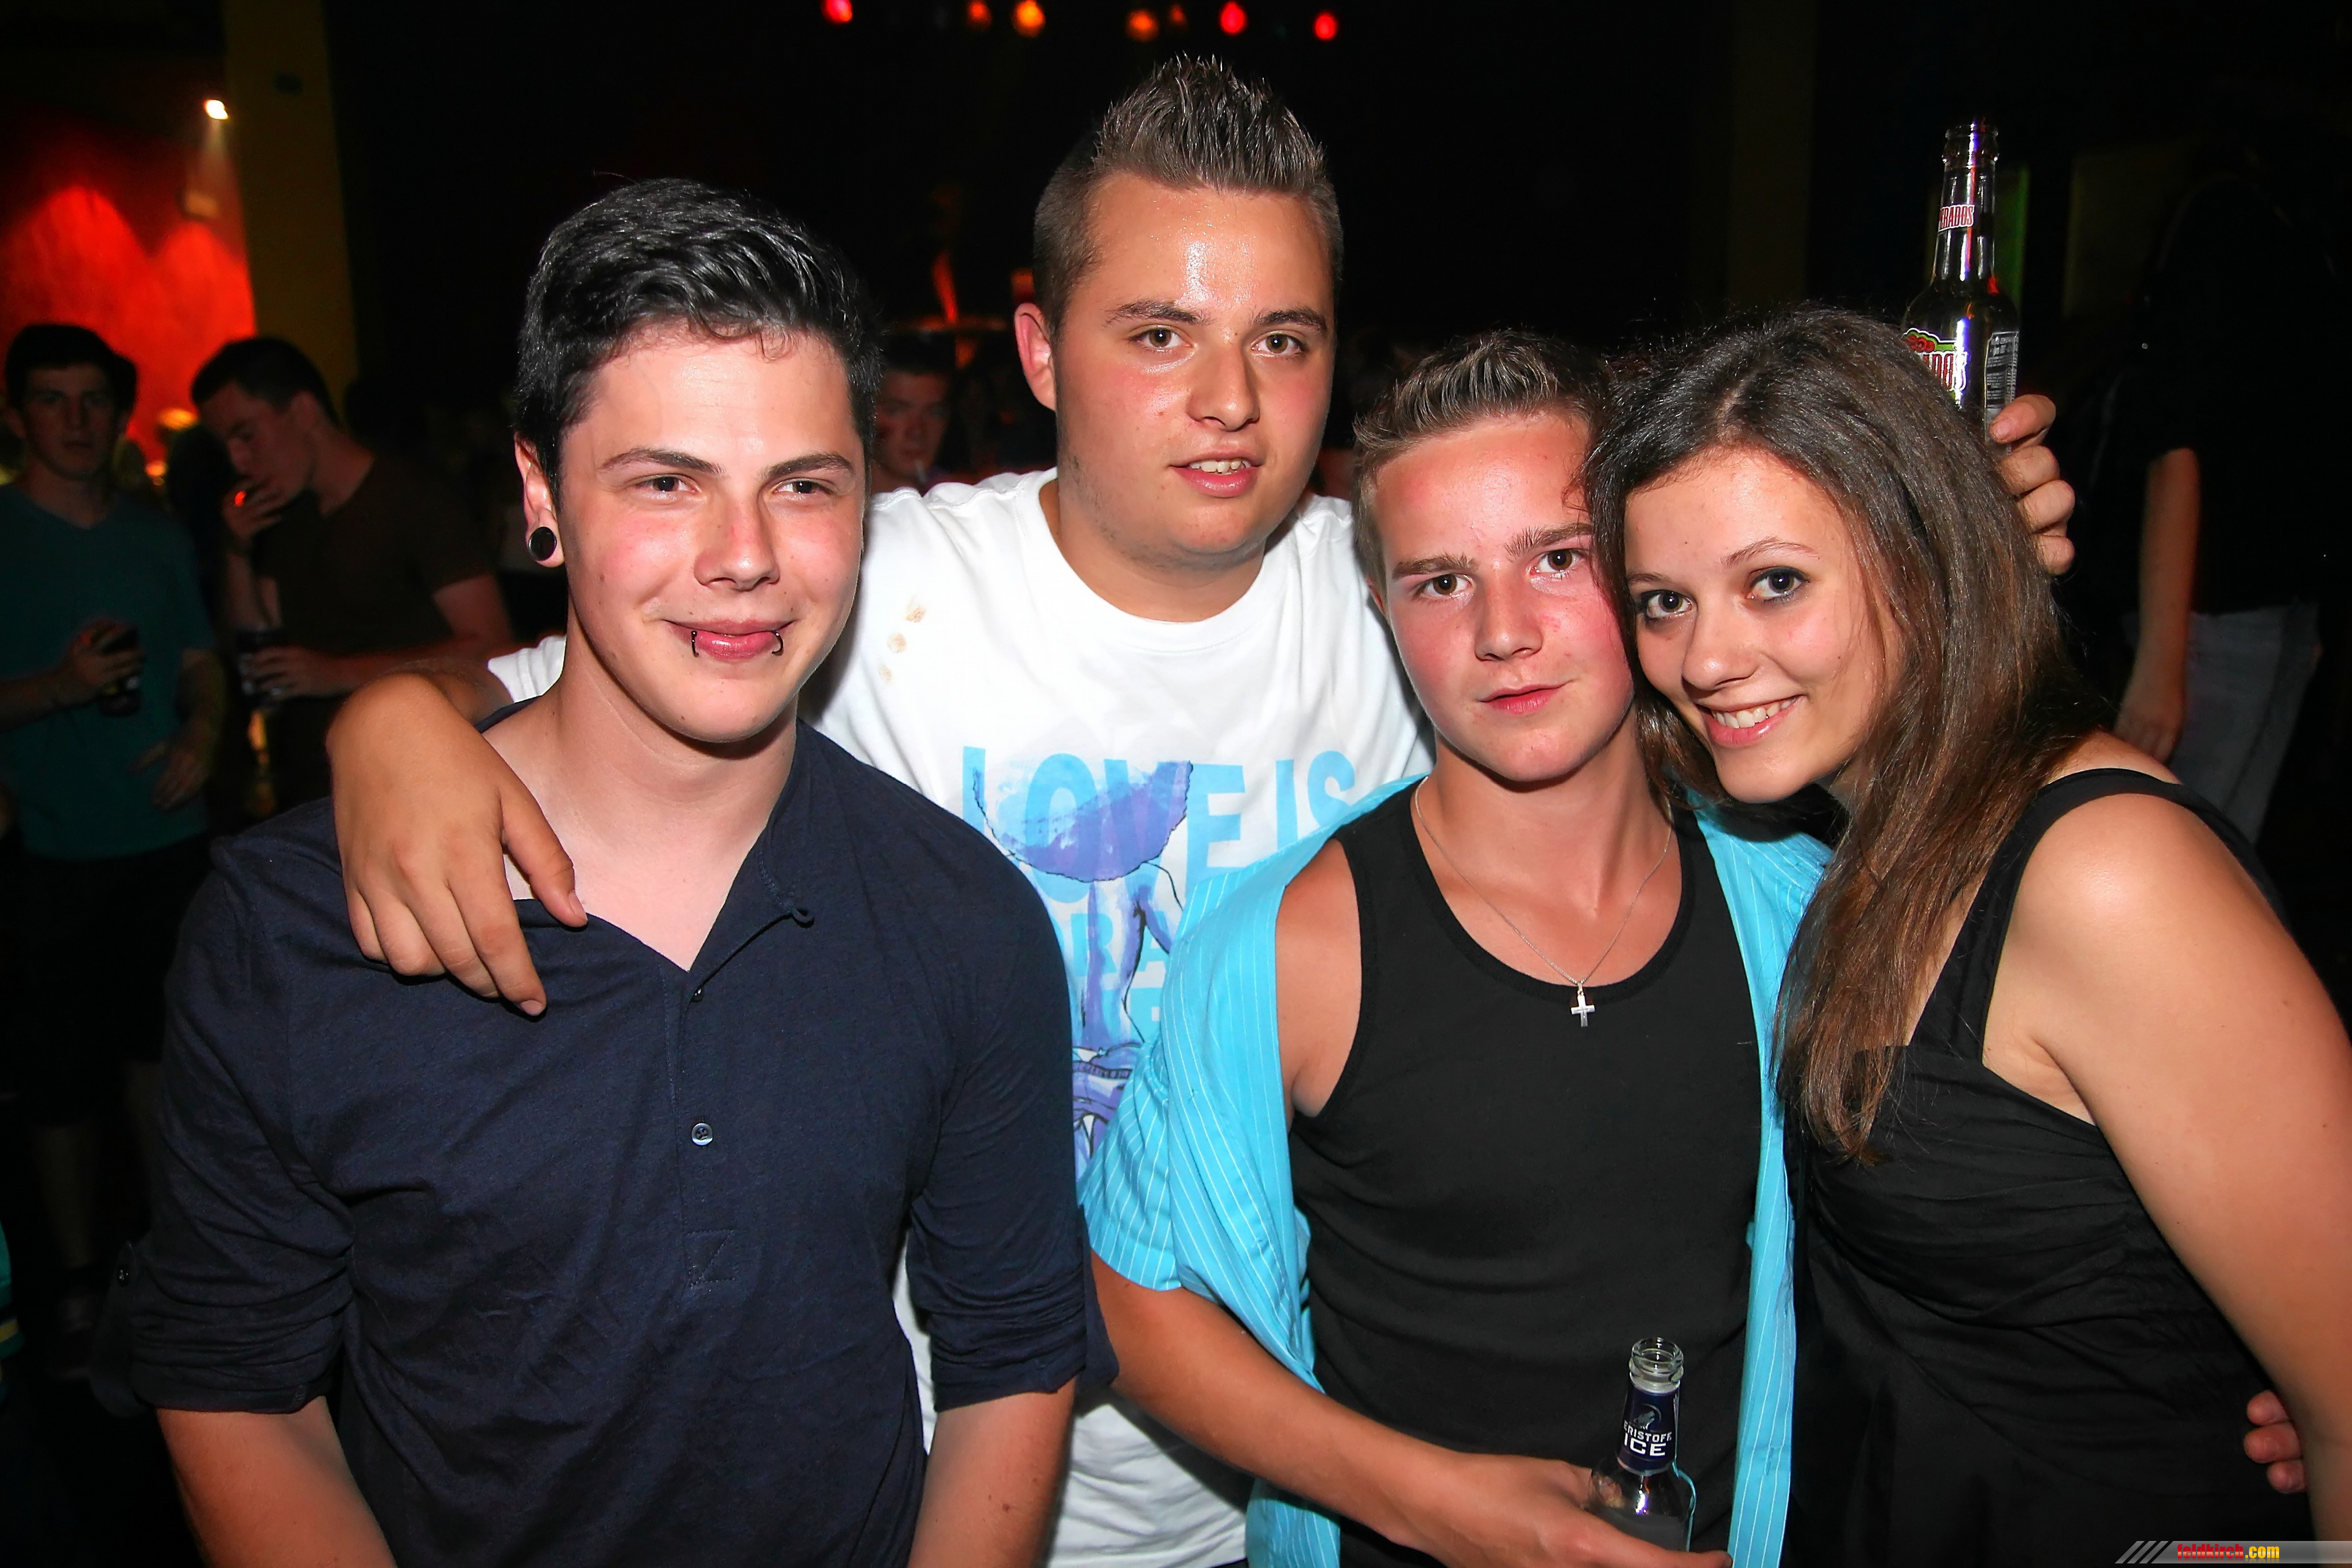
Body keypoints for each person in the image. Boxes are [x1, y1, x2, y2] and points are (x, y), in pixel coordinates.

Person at [316, 61, 2081, 1568]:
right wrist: (395, 720)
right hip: (949, 1461)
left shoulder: (1413, 589)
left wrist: (1909, 545)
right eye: (1159, 333)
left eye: (1282, 338)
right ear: (1039, 346)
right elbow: (569, 674)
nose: (1228, 399)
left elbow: (1701, 640)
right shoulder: (880, 582)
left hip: (1301, 1472)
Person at [122, 180, 1088, 1567]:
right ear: (540, 493)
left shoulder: (962, 917)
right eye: (665, 482)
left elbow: (1011, 1353)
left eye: (803, 484)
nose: (744, 558)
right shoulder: (293, 925)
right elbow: (236, 1383)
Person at [1600, 305, 2347, 1562]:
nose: (1708, 658)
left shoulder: (2102, 874)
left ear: (1922, 554)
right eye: (1663, 601)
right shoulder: (1867, 833)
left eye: (1775, 582)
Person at [1082, 330, 1819, 1568]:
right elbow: (1128, 1298)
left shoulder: (1795, 901)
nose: (1503, 631)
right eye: (1438, 581)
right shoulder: (1295, 943)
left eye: (1557, 558)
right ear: (1382, 608)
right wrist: (1432, 1504)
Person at [0, 323, 226, 1379]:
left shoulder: (155, 535)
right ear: (17, 416)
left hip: (164, 838)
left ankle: (163, 1249)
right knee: (57, 1081)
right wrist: (60, 688)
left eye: (94, 399)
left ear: (121, 414)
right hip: (48, 847)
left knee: (164, 1055)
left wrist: (202, 734)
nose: (77, 420)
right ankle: (78, 1274)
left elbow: (201, 662)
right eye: (52, 399)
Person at [2109, 130, 2348, 839]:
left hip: (2272, 604)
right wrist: (2162, 659)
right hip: (2209, 612)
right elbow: (2174, 435)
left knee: (2226, 845)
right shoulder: (2226, 216)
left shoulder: (2285, 220)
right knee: (2184, 847)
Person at [194, 335, 512, 806]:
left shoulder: (412, 498)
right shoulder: (288, 514)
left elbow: (492, 642)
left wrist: (335, 673)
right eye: (227, 445)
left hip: (413, 776)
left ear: (304, 411)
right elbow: (258, 639)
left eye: (246, 435)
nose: (238, 461)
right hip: (314, 782)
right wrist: (237, 552)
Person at [871, 332, 957, 493]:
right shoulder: (838, 501)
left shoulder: (959, 498)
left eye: (935, 413)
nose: (917, 431)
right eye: (896, 410)